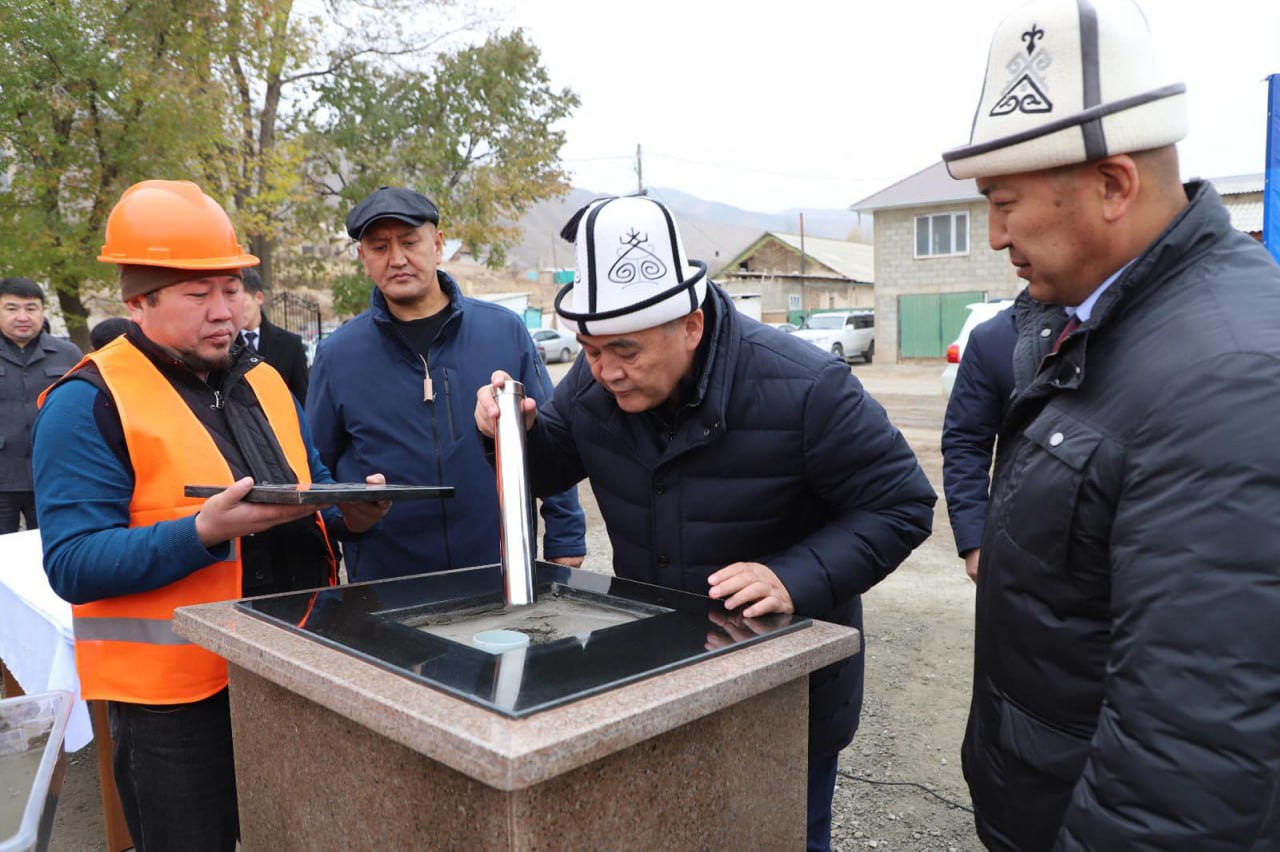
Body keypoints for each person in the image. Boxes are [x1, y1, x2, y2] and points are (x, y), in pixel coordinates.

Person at [474, 195, 935, 851]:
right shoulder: (594, 382)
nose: (605, 371)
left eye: (624, 351)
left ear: (689, 326)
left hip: (782, 693)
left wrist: (794, 575)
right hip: (659, 677)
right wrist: (511, 436)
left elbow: (902, 502)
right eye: (590, 349)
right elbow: (550, 464)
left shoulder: (806, 387)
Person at [940, 0, 1280, 848]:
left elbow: (1190, 753)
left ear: (1114, 184)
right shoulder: (1108, 320)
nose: (994, 235)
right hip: (1040, 789)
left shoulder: (1228, 375)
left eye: (1007, 203)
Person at [33, 180, 388, 851]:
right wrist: (203, 533)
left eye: (231, 288)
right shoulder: (87, 402)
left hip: (294, 665)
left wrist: (355, 515)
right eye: (199, 295)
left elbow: (302, 503)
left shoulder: (264, 381)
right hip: (175, 707)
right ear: (138, 300)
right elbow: (73, 562)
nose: (224, 310)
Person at [307, 186, 586, 582]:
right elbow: (317, 472)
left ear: (437, 245)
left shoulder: (503, 331)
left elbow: (546, 436)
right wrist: (345, 522)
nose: (397, 259)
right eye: (380, 247)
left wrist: (566, 537)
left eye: (409, 242)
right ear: (363, 259)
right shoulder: (337, 355)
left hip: (499, 569)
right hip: (388, 583)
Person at [0, 276, 82, 533]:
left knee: (53, 550)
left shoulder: (68, 354)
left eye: (31, 308)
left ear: (42, 311)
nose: (22, 316)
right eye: (11, 308)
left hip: (53, 476)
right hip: (2, 478)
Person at [940, 305, 1016, 582]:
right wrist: (974, 540)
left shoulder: (1145, 321)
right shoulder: (993, 338)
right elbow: (965, 441)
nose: (1010, 257)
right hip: (1019, 547)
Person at [238, 266, 310, 404]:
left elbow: (302, 399)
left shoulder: (290, 345)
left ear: (258, 298)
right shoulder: (225, 347)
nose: (236, 310)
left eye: (241, 302)